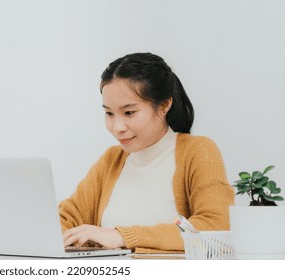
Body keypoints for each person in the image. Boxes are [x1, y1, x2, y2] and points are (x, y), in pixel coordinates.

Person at [59, 52, 234, 254]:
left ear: (164, 105)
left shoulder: (197, 151)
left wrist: (121, 236)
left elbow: (216, 226)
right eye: (109, 113)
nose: (117, 127)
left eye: (129, 112)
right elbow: (67, 219)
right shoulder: (112, 160)